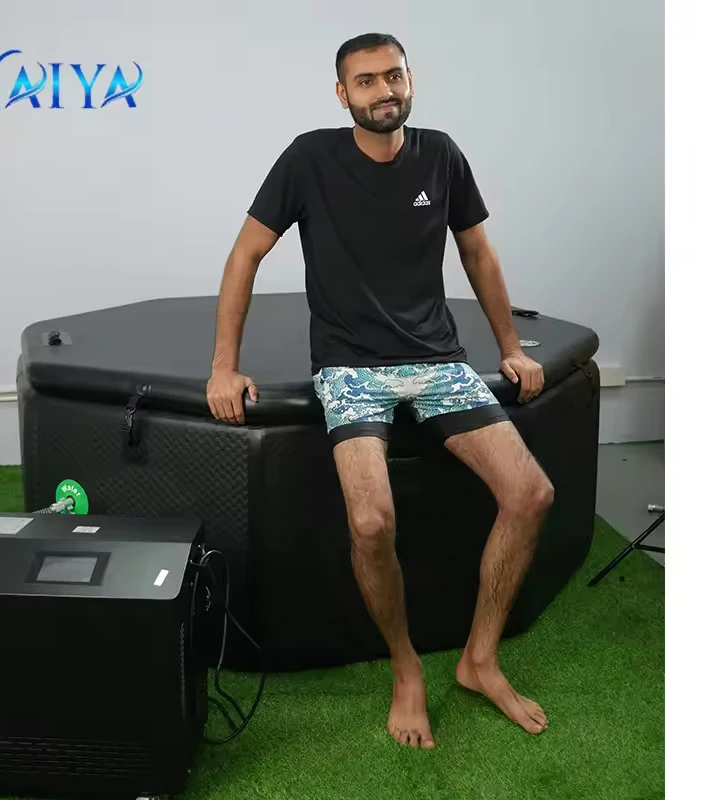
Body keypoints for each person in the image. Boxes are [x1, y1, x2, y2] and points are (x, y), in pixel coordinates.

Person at [207, 32, 554, 749]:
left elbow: (478, 252)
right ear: (343, 95)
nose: (383, 91)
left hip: (437, 361)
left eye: (393, 76)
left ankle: (479, 659)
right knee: (370, 523)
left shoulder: (441, 154)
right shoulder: (309, 158)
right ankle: (405, 667)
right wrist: (223, 366)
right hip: (349, 367)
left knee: (532, 494)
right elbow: (245, 252)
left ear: (410, 80)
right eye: (365, 81)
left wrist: (512, 348)